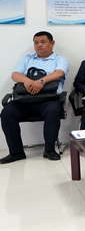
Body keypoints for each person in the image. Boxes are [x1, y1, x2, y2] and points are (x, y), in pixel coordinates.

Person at [1, 31, 69, 163]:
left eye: (43, 42)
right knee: (7, 113)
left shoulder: (60, 59)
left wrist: (41, 81)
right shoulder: (27, 59)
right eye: (36, 42)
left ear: (52, 43)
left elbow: (59, 73)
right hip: (25, 99)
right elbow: (15, 75)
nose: (39, 45)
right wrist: (28, 81)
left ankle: (49, 150)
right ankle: (16, 152)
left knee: (53, 111)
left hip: (48, 99)